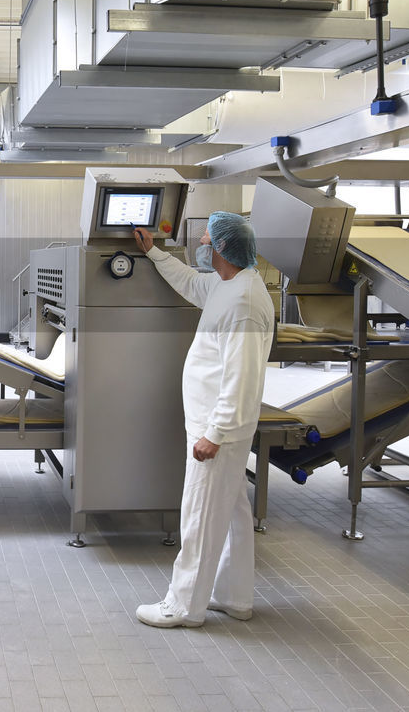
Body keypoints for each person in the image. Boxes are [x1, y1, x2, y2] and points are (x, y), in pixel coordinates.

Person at [131, 211, 274, 628]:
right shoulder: (229, 285)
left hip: (219, 430)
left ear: (222, 248)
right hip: (218, 425)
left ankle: (183, 606)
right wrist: (155, 253)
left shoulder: (244, 304)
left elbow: (242, 378)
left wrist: (215, 433)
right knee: (230, 512)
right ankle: (233, 596)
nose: (201, 244)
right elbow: (191, 282)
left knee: (199, 514)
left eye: (207, 239)